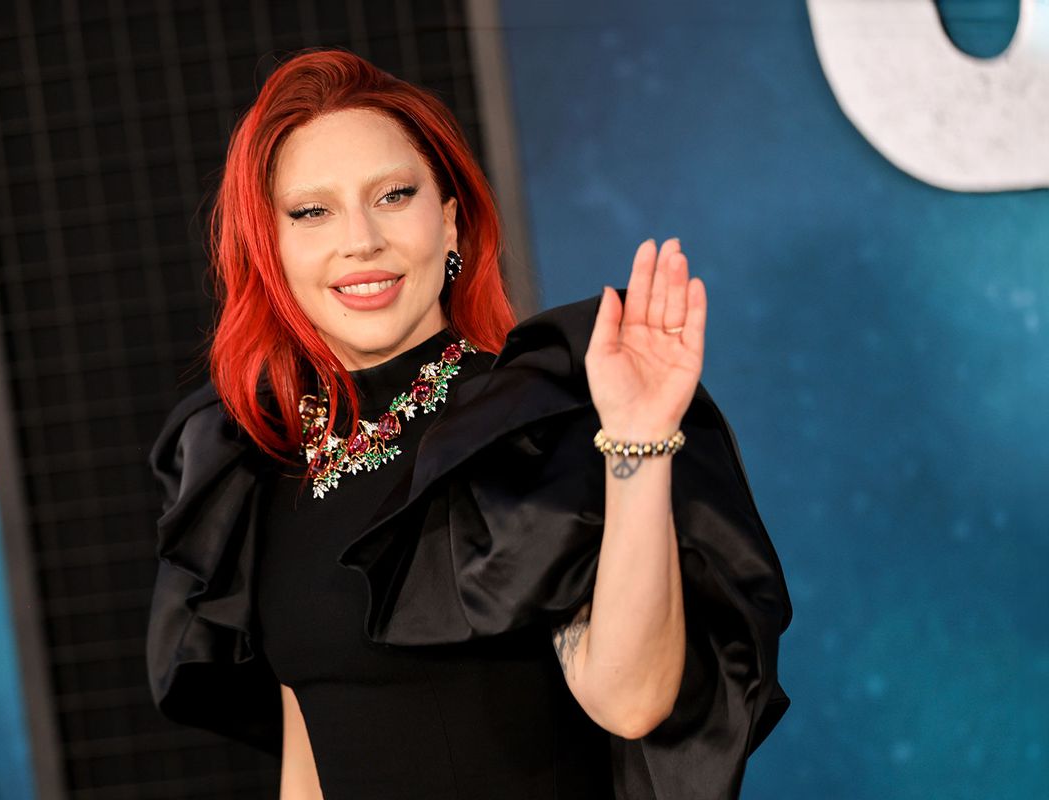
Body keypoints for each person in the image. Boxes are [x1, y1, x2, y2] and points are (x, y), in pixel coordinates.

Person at [146, 47, 791, 799]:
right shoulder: (259, 466)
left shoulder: (534, 424)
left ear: (449, 224)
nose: (361, 238)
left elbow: (631, 700)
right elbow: (308, 760)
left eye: (392, 196)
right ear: (273, 249)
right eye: (312, 210)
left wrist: (640, 441)